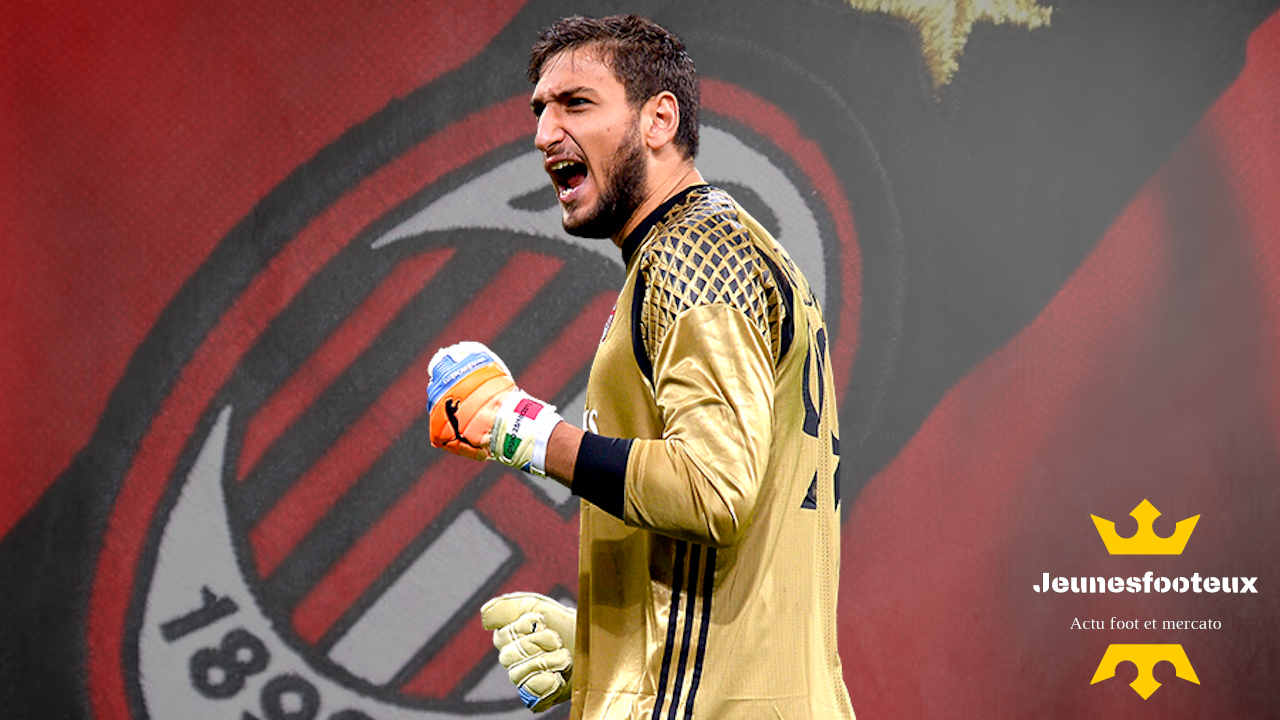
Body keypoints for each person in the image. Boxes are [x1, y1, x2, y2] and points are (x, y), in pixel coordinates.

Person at [425, 14, 854, 719]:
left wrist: (520, 430)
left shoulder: (694, 253)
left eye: (576, 103)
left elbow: (713, 490)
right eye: (540, 110)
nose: (544, 133)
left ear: (659, 120)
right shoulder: (718, 248)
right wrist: (606, 650)